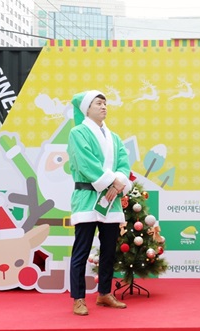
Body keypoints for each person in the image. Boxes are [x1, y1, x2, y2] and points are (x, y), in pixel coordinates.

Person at [68, 89, 132, 316]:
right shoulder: (78, 133)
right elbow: (86, 163)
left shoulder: (114, 137)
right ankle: (78, 298)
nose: (104, 106)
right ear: (86, 109)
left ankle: (104, 293)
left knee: (109, 250)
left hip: (111, 200)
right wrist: (114, 182)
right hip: (87, 198)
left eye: (105, 103)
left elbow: (124, 163)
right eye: (98, 103)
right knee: (81, 250)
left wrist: (118, 183)